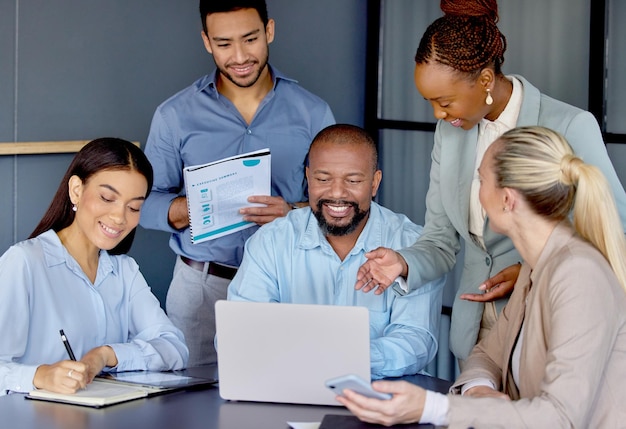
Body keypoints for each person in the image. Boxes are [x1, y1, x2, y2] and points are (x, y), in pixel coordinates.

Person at [355, 0, 626, 364]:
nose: (438, 114)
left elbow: (616, 233)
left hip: (548, 323)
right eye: (430, 102)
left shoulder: (569, 126)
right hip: (474, 330)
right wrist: (403, 263)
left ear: (484, 79)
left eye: (445, 101)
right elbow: (439, 238)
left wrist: (531, 269)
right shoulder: (449, 132)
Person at [339, 126, 626, 427]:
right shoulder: (536, 265)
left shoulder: (579, 275)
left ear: (508, 199)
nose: (476, 191)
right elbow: (487, 354)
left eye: (481, 179)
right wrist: (480, 390)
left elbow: (560, 417)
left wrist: (433, 407)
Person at [139, 0, 335, 366]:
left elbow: (340, 202)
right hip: (201, 290)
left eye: (250, 39)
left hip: (288, 285)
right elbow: (142, 202)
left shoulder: (313, 112)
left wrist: (292, 212)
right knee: (190, 414)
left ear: (269, 31)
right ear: (206, 41)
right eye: (224, 43)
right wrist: (192, 209)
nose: (240, 56)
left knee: (280, 403)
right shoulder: (173, 115)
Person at [227, 124, 445, 379]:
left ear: (374, 183)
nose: (337, 193)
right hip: (288, 387)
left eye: (352, 180)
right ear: (308, 178)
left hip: (385, 397)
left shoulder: (412, 246)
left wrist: (341, 359)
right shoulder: (271, 241)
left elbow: (416, 341)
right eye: (323, 179)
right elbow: (240, 332)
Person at [0, 138, 189, 396]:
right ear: (76, 189)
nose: (120, 217)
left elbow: (175, 348)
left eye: (134, 207)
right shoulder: (24, 262)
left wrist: (106, 354)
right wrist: (40, 375)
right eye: (107, 198)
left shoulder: (125, 271)